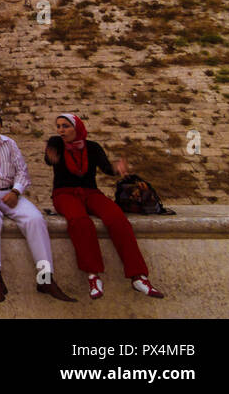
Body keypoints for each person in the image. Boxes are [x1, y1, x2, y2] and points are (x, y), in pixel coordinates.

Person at [0, 110, 74, 303]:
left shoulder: (9, 143)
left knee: (36, 219)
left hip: (9, 193)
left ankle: (45, 278)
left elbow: (22, 172)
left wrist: (16, 191)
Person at [45, 113, 164, 300]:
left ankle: (138, 276)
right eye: (58, 126)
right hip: (64, 193)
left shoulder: (92, 147)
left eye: (66, 126)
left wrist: (117, 169)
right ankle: (93, 275)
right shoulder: (57, 143)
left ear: (77, 128)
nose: (61, 130)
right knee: (80, 222)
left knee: (117, 219)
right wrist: (51, 156)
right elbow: (50, 155)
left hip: (91, 192)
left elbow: (106, 168)